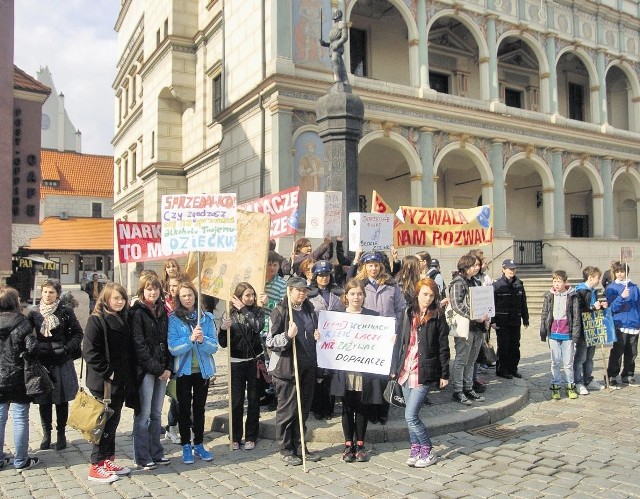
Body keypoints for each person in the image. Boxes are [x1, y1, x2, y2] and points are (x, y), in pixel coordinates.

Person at [392, 278, 449, 468]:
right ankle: (415, 448)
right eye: (425, 294)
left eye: (432, 295)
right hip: (406, 369)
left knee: (411, 416)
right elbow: (401, 342)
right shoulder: (408, 312)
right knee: (410, 414)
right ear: (417, 293)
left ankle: (428, 449)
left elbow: (443, 346)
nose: (428, 298)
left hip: (424, 370)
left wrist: (444, 374)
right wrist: (394, 367)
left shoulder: (438, 315)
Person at [83, 283, 136, 483]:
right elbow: (89, 352)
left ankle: (107, 459)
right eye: (115, 298)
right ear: (106, 299)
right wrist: (109, 372)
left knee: (112, 424)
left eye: (122, 298)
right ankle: (95, 465)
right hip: (104, 382)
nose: (120, 301)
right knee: (102, 425)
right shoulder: (97, 320)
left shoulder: (123, 318)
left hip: (120, 381)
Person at [266, 277, 321, 466]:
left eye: (305, 290)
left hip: (307, 366)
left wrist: (316, 335)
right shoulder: (280, 311)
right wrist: (287, 336)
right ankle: (286, 448)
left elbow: (312, 333)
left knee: (303, 411)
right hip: (287, 369)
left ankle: (300, 446)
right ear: (289, 290)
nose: (302, 294)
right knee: (288, 411)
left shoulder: (309, 309)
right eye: (298, 290)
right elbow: (270, 342)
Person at [331, 279, 384, 463]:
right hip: (344, 371)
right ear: (346, 296)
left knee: (362, 407)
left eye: (360, 294)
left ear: (364, 296)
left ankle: (360, 444)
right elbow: (330, 341)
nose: (356, 297)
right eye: (352, 293)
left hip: (364, 371)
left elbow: (380, 340)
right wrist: (320, 336)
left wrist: (389, 339)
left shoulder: (373, 316)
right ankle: (348, 445)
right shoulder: (336, 316)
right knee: (347, 408)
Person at [28, 278, 82, 451]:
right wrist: (34, 349)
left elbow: (77, 333)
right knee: (44, 399)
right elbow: (28, 336)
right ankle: (46, 433)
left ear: (57, 294)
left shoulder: (65, 311)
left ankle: (61, 434)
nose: (48, 295)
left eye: (51, 292)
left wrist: (66, 348)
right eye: (45, 291)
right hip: (42, 362)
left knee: (61, 399)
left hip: (61, 360)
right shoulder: (34, 313)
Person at [168, 280, 218, 464]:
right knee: (183, 409)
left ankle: (198, 443)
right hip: (183, 371)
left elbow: (214, 347)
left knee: (199, 409)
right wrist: (190, 339)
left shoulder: (206, 318)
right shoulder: (173, 319)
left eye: (190, 295)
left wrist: (203, 340)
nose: (188, 298)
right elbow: (173, 347)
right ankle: (185, 446)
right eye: (184, 296)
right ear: (179, 299)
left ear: (195, 296)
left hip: (202, 371)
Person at [355, 251, 405, 424]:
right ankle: (369, 410)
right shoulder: (359, 284)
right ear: (364, 267)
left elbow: (401, 307)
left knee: (386, 374)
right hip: (366, 338)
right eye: (370, 265)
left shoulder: (392, 285)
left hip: (387, 337)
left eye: (376, 265)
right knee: (368, 375)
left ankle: (383, 410)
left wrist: (395, 326)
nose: (373, 268)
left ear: (381, 266)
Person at [130, 274, 172, 470]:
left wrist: (168, 368)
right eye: (148, 289)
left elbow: (168, 340)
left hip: (163, 369)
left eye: (155, 288)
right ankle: (142, 456)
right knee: (143, 414)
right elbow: (139, 347)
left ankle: (157, 452)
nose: (152, 292)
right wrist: (158, 369)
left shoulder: (163, 311)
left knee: (156, 413)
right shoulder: (137, 313)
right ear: (142, 291)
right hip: (146, 370)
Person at [219, 282, 266, 451]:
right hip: (236, 362)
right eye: (247, 295)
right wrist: (223, 329)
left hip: (254, 361)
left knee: (254, 399)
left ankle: (251, 435)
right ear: (238, 296)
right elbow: (223, 343)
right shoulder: (229, 312)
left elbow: (258, 327)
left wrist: (245, 310)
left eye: (252, 295)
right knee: (237, 401)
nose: (251, 298)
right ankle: (235, 436)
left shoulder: (258, 311)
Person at [0, 286, 40, 471]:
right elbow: (32, 348)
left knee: (0, 418)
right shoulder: (22, 322)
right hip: (18, 376)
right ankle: (21, 460)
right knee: (20, 418)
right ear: (15, 302)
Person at [308, 260, 345, 420]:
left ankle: (329, 408)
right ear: (316, 276)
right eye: (321, 275)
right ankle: (317, 408)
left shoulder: (338, 293)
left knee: (330, 373)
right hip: (315, 338)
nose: (324, 278)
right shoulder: (309, 295)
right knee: (317, 374)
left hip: (334, 340)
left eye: (327, 275)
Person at [449, 254, 488, 405]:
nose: (477, 268)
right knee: (462, 359)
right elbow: (457, 305)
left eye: (478, 265)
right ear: (466, 267)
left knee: (472, 360)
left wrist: (486, 316)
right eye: (474, 265)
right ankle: (458, 390)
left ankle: (468, 387)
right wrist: (474, 316)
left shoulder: (475, 281)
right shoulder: (458, 282)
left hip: (477, 326)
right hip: (465, 327)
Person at [540, 270, 581, 400]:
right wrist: (543, 331)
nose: (557, 284)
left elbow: (576, 317)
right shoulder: (549, 295)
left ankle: (570, 385)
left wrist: (575, 335)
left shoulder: (572, 296)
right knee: (555, 361)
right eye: (555, 281)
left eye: (559, 281)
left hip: (566, 334)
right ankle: (555, 385)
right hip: (553, 334)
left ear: (565, 282)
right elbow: (545, 314)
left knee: (568, 363)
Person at [492, 259, 529, 379]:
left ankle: (513, 368)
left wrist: (525, 318)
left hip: (515, 320)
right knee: (503, 346)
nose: (511, 271)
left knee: (515, 346)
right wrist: (493, 320)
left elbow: (523, 302)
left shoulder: (519, 283)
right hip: (502, 321)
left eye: (513, 269)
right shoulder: (497, 285)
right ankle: (502, 369)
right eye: (509, 269)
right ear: (503, 269)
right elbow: (492, 304)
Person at [574, 266, 607, 395]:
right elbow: (579, 310)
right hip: (583, 328)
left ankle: (588, 379)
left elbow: (592, 307)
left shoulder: (592, 291)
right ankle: (578, 382)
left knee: (590, 357)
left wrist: (601, 307)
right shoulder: (581, 291)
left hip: (592, 327)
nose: (599, 280)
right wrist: (593, 307)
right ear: (590, 277)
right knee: (581, 357)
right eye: (598, 278)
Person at [605, 262, 639, 387]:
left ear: (626, 272)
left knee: (632, 351)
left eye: (622, 271)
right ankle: (612, 375)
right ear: (614, 273)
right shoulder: (612, 288)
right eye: (617, 272)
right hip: (620, 323)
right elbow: (612, 307)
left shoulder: (634, 287)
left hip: (634, 323)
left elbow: (637, 306)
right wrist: (622, 297)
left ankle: (628, 374)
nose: (620, 274)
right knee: (618, 351)